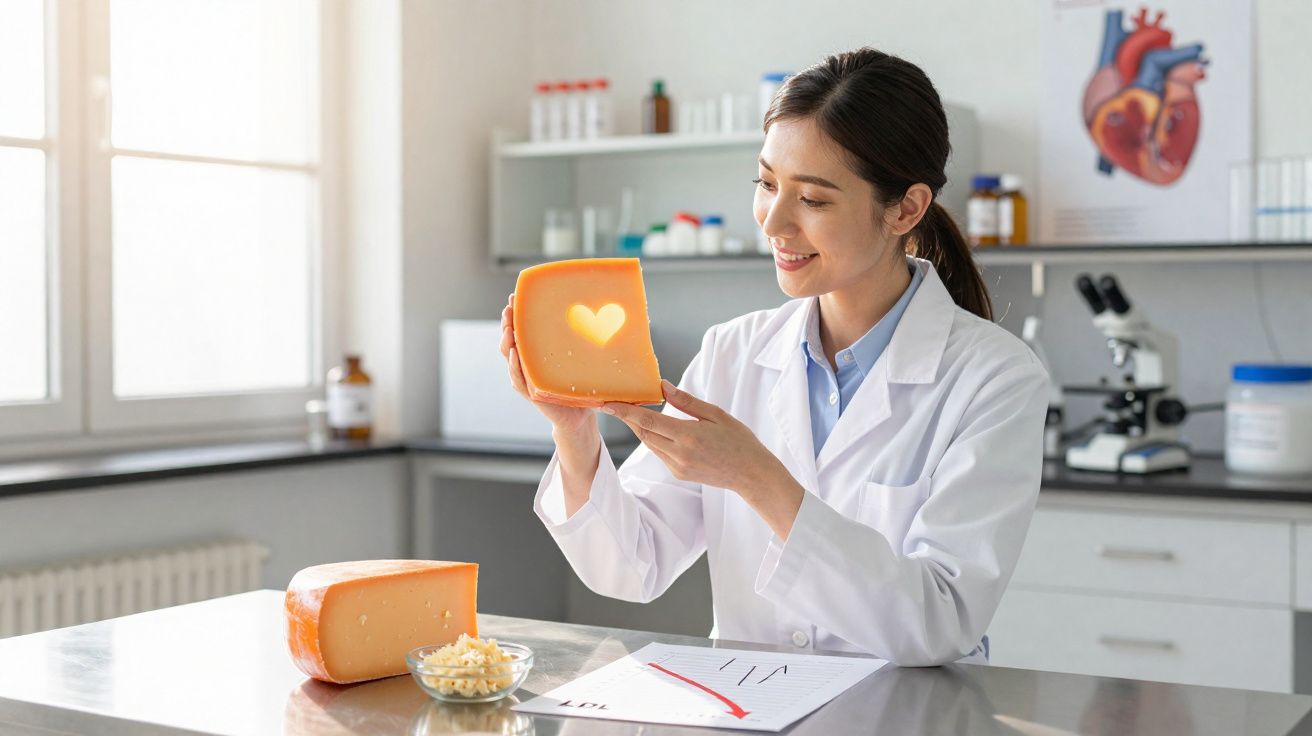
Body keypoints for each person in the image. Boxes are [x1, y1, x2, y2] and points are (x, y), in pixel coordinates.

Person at [498, 47, 1048, 666]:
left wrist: (756, 477)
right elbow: (632, 567)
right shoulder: (733, 351)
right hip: (751, 709)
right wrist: (574, 431)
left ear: (906, 208)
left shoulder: (995, 380)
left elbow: (941, 621)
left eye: (812, 200)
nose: (774, 222)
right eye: (766, 184)